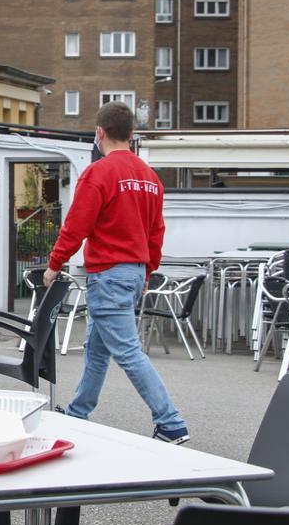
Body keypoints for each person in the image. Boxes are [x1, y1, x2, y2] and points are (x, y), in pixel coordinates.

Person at [43, 101, 189, 444]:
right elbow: (156, 233)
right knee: (96, 349)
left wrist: (54, 264)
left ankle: (170, 421)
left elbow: (76, 226)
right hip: (134, 271)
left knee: (127, 351)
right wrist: (147, 272)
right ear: (132, 134)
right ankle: (79, 413)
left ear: (99, 133)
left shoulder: (98, 173)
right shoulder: (151, 178)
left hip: (108, 273)